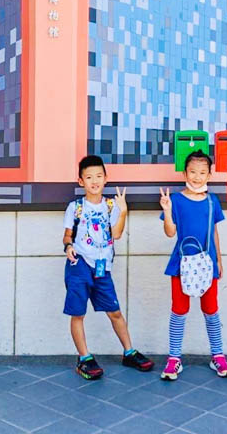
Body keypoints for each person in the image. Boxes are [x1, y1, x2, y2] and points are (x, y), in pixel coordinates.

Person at [63, 155, 153, 380]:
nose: (94, 181)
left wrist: (122, 211)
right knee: (78, 313)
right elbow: (67, 235)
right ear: (81, 181)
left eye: (99, 176)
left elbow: (117, 233)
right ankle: (84, 358)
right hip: (79, 265)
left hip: (103, 267)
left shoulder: (112, 205)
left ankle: (129, 352)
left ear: (106, 179)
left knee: (114, 311)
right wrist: (68, 247)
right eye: (89, 177)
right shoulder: (75, 207)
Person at [158, 150, 227, 381]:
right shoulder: (176, 200)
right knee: (179, 311)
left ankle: (218, 355)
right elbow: (170, 232)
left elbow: (215, 231)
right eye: (192, 172)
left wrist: (219, 259)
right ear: (184, 173)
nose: (197, 177)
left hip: (207, 265)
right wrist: (167, 210)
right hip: (181, 265)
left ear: (209, 175)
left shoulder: (212, 201)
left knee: (211, 310)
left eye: (202, 172)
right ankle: (174, 358)